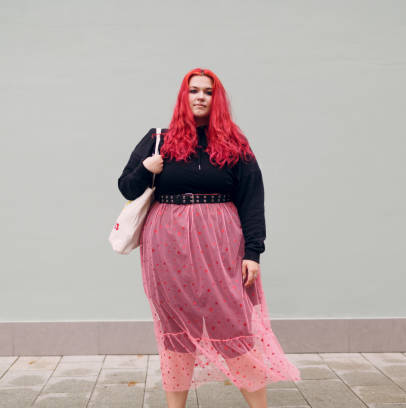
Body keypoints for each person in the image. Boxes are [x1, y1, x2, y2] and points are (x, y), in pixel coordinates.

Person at [117, 68, 300, 408]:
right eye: (193, 90)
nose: (200, 96)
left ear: (217, 99)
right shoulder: (158, 139)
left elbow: (252, 199)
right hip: (166, 245)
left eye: (208, 91)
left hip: (222, 244)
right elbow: (126, 187)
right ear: (183, 97)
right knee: (175, 330)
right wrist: (147, 168)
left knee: (232, 324)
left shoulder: (234, 143)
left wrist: (253, 252)